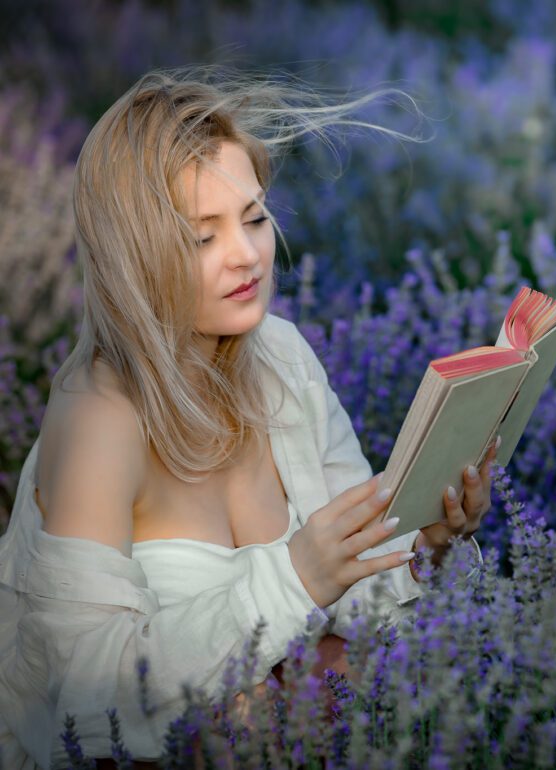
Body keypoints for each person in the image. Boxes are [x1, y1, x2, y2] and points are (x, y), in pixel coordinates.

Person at [0, 65, 496, 769]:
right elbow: (85, 689)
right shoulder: (98, 419)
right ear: (135, 260)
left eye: (255, 217)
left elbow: (355, 591)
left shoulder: (283, 359)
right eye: (202, 237)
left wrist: (430, 546)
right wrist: (295, 579)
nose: (246, 255)